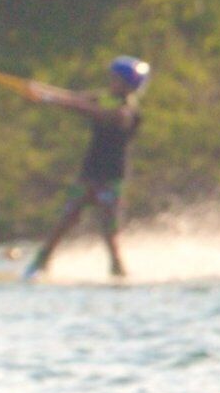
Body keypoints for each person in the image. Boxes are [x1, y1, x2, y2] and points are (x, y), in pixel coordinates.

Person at [19, 56, 151, 281]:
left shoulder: (126, 112)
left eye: (116, 79)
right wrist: (38, 91)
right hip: (90, 172)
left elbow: (90, 111)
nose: (111, 81)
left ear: (128, 85)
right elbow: (74, 98)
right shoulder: (103, 97)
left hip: (111, 177)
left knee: (108, 229)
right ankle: (41, 263)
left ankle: (118, 270)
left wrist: (51, 99)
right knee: (66, 218)